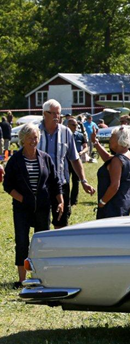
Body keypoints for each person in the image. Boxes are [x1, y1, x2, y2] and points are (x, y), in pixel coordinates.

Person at [3, 123, 63, 287]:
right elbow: (7, 185)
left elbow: (55, 181)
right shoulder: (15, 160)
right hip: (22, 208)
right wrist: (22, 199)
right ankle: (22, 280)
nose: (33, 141)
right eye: (30, 138)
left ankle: (42, 276)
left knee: (42, 242)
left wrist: (60, 200)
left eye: (35, 137)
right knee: (22, 241)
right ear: (22, 140)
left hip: (43, 207)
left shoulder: (45, 158)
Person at [37, 99, 95, 228]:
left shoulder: (66, 132)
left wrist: (84, 181)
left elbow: (74, 158)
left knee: (61, 222)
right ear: (44, 114)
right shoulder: (35, 131)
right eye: (53, 113)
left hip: (61, 183)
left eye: (58, 114)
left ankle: (59, 248)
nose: (56, 117)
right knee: (41, 224)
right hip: (41, 185)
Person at [92, 125, 130, 219]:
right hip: (124, 201)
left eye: (112, 137)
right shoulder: (127, 154)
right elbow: (107, 158)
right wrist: (96, 142)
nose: (110, 140)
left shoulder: (117, 160)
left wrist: (102, 202)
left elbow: (114, 186)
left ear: (120, 140)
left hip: (113, 205)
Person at [66, 118, 88, 206]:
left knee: (76, 181)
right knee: (65, 181)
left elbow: (86, 147)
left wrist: (81, 152)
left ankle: (74, 200)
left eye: (76, 125)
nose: (75, 127)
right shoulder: (63, 135)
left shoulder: (80, 135)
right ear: (68, 125)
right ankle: (66, 198)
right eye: (73, 125)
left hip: (76, 161)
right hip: (66, 161)